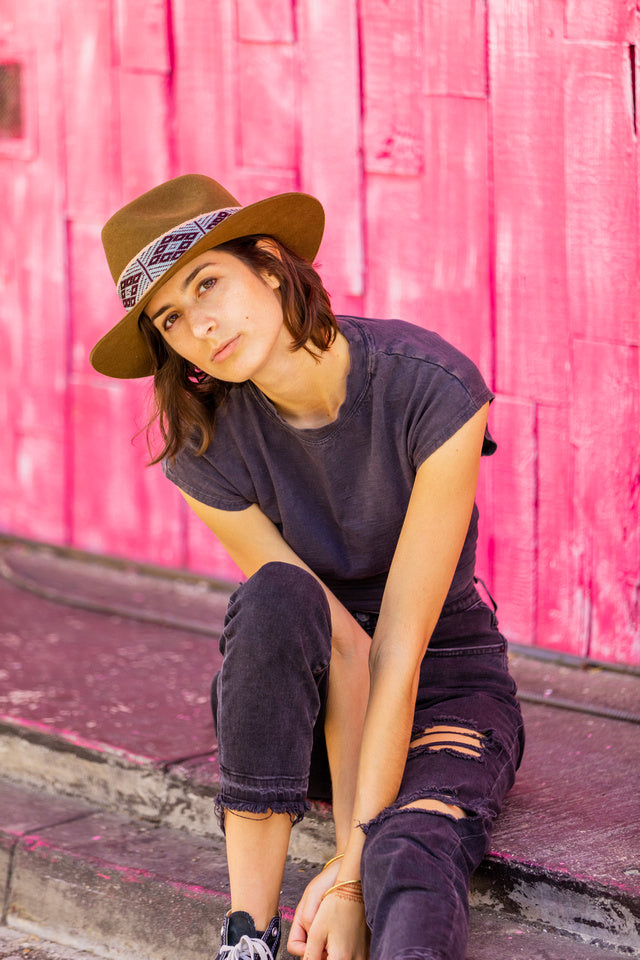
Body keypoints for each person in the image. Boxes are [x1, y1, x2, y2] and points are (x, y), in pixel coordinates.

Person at [90, 174, 525, 960]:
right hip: (306, 702)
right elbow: (344, 649)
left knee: (407, 851)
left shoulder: (432, 389)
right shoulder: (204, 449)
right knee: (277, 596)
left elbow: (393, 647)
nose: (202, 325)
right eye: (173, 318)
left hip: (443, 676)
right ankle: (246, 938)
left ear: (268, 261)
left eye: (208, 282)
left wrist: (354, 870)